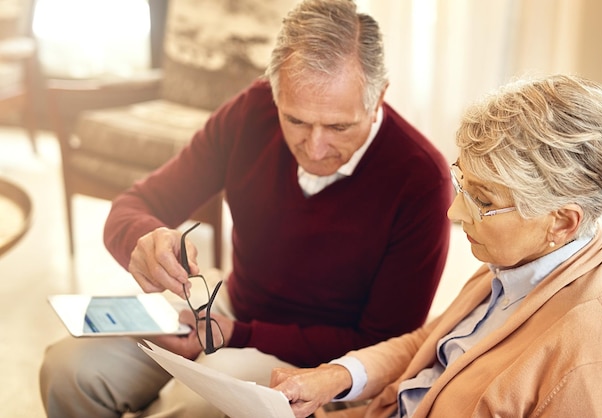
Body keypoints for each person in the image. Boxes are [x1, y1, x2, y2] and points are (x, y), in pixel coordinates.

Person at [39, 0, 452, 417]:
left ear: (379, 95)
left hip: (319, 357)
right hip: (229, 308)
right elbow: (137, 204)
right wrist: (144, 240)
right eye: (296, 121)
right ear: (274, 93)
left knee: (199, 403)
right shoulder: (253, 111)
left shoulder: (421, 180)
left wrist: (241, 334)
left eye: (339, 127)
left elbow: (384, 345)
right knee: (69, 369)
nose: (314, 147)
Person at [271, 74, 602, 418]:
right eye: (463, 184)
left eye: (483, 200)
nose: (454, 211)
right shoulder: (524, 262)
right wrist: (334, 377)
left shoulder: (592, 362)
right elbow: (430, 344)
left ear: (563, 222)